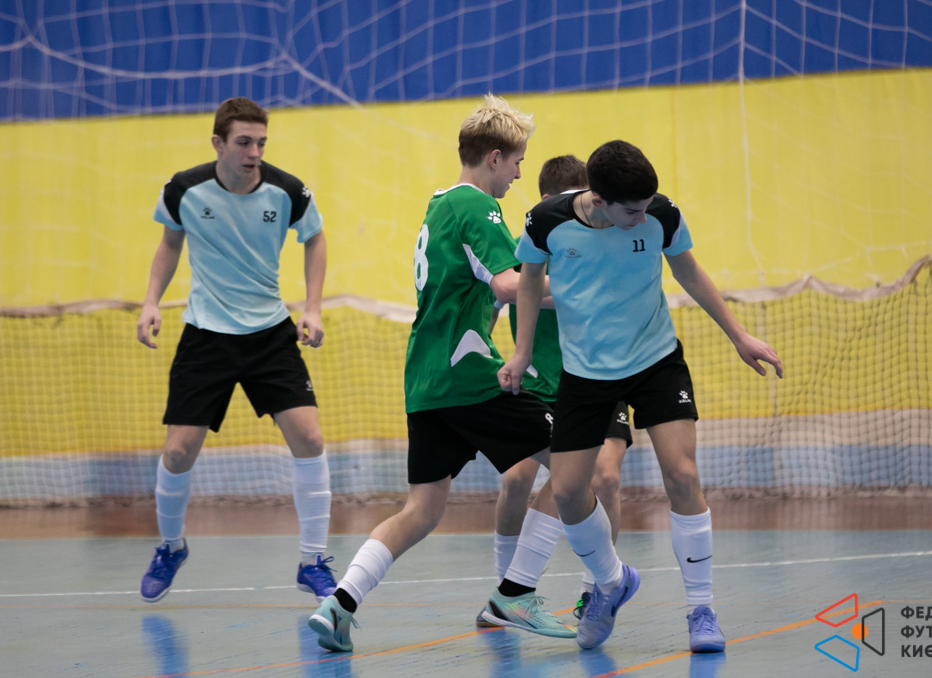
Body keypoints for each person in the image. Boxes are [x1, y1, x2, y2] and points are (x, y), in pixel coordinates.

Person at [308, 94, 574, 653]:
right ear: (495, 157)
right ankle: (519, 592)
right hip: (469, 375)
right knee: (577, 462)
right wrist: (584, 287)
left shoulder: (438, 205)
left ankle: (339, 603)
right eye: (517, 162)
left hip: (426, 379)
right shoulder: (478, 205)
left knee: (422, 510)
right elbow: (509, 284)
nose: (519, 174)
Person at [498, 140, 783, 652]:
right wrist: (520, 353)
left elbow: (688, 270)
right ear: (598, 199)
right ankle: (610, 583)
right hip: (586, 374)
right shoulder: (546, 221)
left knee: (683, 474)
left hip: (655, 362)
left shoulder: (661, 215)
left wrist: (739, 335)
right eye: (631, 210)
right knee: (567, 492)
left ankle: (701, 610)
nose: (641, 217)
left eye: (646, 206)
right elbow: (529, 281)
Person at [135, 97, 336, 604]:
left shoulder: (287, 191)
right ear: (218, 143)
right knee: (178, 451)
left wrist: (312, 308)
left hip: (270, 334)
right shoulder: (183, 189)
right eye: (244, 142)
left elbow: (314, 239)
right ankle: (170, 547)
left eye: (261, 143)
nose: (254, 152)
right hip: (205, 334)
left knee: (310, 438)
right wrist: (151, 302)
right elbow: (170, 242)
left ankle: (312, 560)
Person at [476, 155, 633, 628]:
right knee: (515, 479)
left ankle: (595, 591)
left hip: (598, 380)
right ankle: (506, 591)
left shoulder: (607, 243)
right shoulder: (528, 247)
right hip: (537, 385)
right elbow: (503, 295)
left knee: (603, 477)